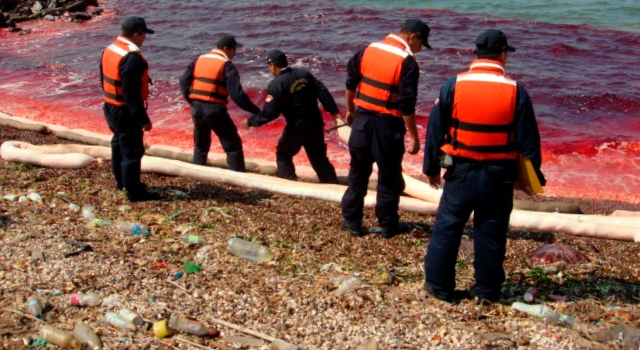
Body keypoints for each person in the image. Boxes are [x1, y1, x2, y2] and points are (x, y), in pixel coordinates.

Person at [423, 29, 546, 303]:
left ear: (476, 54)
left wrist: (430, 168)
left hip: (460, 172)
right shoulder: (516, 91)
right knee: (491, 233)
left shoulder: (453, 85)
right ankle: (487, 292)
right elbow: (529, 143)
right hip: (498, 177)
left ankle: (438, 287)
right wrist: (533, 178)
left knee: (447, 228)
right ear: (503, 55)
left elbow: (434, 131)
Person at [340, 19, 431, 238]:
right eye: (422, 43)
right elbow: (406, 104)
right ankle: (388, 226)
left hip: (361, 121)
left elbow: (350, 82)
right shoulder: (407, 61)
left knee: (357, 175)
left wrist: (350, 110)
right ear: (413, 37)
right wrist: (414, 137)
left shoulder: (369, 49)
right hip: (387, 126)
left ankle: (351, 221)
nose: (420, 49)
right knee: (389, 179)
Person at [245, 49, 339, 183]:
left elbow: (270, 113)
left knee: (283, 155)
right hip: (315, 124)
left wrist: (251, 121)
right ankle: (333, 187)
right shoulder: (304, 74)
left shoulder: (276, 85)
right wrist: (334, 112)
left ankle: (289, 183)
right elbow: (322, 91)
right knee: (319, 160)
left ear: (273, 65)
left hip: (296, 128)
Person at [179, 35, 260, 171]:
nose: (235, 53)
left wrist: (191, 101)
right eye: (234, 49)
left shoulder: (199, 59)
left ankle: (197, 174)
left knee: (200, 145)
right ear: (226, 49)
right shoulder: (227, 65)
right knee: (233, 146)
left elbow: (183, 82)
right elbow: (237, 95)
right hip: (214, 109)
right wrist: (256, 111)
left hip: (197, 108)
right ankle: (238, 178)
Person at [100, 16, 159, 202]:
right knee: (132, 151)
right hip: (125, 110)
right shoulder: (131, 57)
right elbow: (131, 94)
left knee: (118, 144)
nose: (144, 39)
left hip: (110, 105)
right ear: (136, 34)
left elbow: (103, 77)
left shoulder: (110, 49)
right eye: (143, 35)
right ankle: (134, 192)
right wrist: (144, 119)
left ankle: (122, 183)